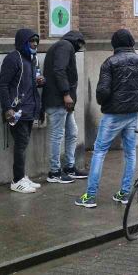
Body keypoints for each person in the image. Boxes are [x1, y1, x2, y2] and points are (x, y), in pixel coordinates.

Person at [76, 29, 138, 208]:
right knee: (130, 152)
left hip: (113, 114)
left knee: (100, 151)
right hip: (132, 112)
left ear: (114, 44)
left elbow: (103, 91)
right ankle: (124, 193)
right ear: (131, 42)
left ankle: (90, 196)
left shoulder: (109, 62)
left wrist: (101, 101)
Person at [0, 29, 45, 193]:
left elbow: (33, 82)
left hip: (29, 109)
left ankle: (22, 176)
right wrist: (7, 108)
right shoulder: (13, 58)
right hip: (16, 112)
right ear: (23, 42)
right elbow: (2, 85)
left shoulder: (33, 59)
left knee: (23, 144)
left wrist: (40, 81)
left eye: (36, 42)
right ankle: (17, 180)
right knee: (21, 145)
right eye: (31, 41)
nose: (35, 44)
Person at [43, 30, 87, 184]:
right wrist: (66, 93)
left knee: (72, 133)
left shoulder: (63, 46)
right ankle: (54, 172)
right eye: (80, 43)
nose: (80, 47)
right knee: (58, 135)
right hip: (59, 101)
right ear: (76, 40)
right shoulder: (65, 46)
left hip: (63, 102)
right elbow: (59, 70)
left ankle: (69, 167)